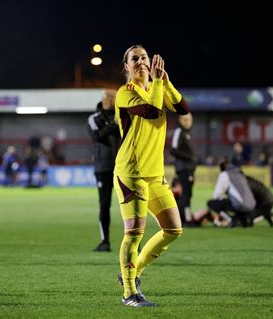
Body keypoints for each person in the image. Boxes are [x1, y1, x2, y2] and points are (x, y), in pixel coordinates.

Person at [113, 45, 189, 307]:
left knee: (173, 229)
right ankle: (129, 293)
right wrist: (157, 83)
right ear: (127, 67)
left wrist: (166, 83)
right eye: (135, 59)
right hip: (131, 173)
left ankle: (134, 273)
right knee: (134, 233)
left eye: (144, 57)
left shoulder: (156, 86)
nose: (141, 62)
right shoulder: (125, 93)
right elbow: (153, 111)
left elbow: (182, 108)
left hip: (155, 174)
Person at [86, 89, 120, 252]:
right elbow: (96, 136)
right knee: (104, 205)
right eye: (108, 97)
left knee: (130, 205)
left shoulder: (123, 117)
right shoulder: (94, 118)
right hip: (103, 167)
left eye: (113, 97)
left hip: (123, 167)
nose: (110, 100)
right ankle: (105, 241)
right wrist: (114, 124)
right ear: (103, 99)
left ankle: (135, 242)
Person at [206, 160, 256, 227]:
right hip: (251, 206)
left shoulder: (225, 174)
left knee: (211, 203)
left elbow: (216, 195)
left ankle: (230, 219)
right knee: (236, 203)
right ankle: (244, 219)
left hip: (240, 205)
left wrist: (224, 198)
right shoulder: (239, 173)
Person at [170, 113, 197, 225]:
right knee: (185, 194)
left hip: (189, 168)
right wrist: (189, 157)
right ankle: (186, 219)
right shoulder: (178, 131)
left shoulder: (187, 133)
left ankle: (186, 218)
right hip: (183, 168)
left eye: (189, 120)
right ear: (180, 120)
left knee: (188, 194)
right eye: (185, 119)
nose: (187, 122)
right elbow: (173, 150)